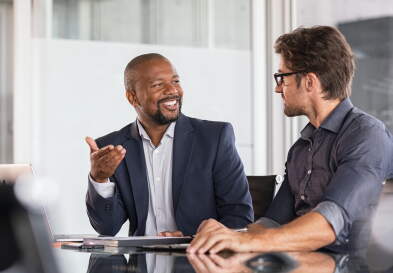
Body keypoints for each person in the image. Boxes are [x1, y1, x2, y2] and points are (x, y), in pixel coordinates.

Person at [187, 26, 393, 254]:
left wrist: (245, 243)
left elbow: (330, 223)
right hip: (308, 263)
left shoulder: (367, 135)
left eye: (282, 77)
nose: (277, 88)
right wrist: (226, 235)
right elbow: (272, 224)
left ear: (310, 82)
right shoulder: (301, 149)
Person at [85, 53, 253, 236]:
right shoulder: (113, 148)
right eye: (158, 84)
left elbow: (239, 218)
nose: (172, 90)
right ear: (132, 98)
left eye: (176, 81)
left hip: (198, 259)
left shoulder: (214, 138)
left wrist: (192, 239)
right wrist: (99, 179)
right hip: (141, 262)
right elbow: (107, 228)